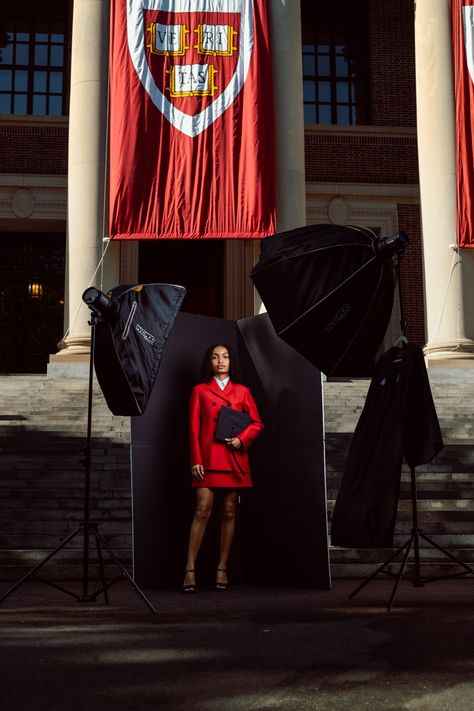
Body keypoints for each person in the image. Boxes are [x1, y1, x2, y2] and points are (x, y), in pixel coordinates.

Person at [183, 343, 263, 592]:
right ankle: (190, 568)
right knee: (202, 509)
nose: (220, 361)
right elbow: (194, 428)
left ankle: (222, 568)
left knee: (229, 511)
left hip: (233, 458)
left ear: (231, 362)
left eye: (225, 357)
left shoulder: (243, 392)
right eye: (216, 357)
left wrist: (242, 439)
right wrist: (195, 459)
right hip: (207, 459)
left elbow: (257, 424)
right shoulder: (199, 391)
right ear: (209, 362)